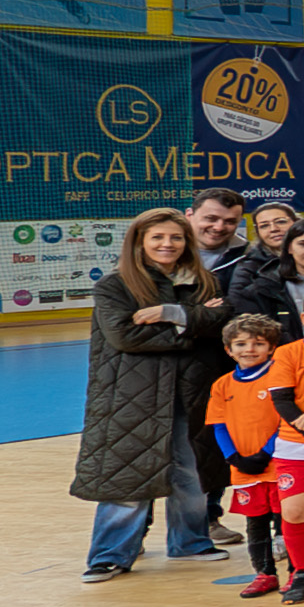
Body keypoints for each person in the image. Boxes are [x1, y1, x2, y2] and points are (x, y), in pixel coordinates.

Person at [75, 207, 233, 579]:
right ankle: (109, 555)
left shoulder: (204, 282)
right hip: (132, 396)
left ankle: (190, 543)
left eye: (176, 237)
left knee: (191, 470)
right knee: (128, 476)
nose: (168, 244)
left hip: (191, 393)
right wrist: (189, 324)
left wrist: (172, 313)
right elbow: (125, 336)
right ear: (139, 242)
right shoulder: (115, 286)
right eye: (158, 237)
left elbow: (223, 322)